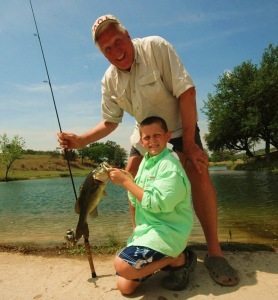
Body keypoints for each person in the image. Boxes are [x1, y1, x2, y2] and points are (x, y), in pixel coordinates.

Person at [58, 14, 239, 286]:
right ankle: (146, 245)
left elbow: (186, 92)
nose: (116, 51)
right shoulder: (109, 80)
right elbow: (110, 121)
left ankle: (214, 253)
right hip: (143, 135)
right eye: (107, 49)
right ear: (102, 53)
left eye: (118, 42)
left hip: (178, 127)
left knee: (198, 172)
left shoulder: (156, 47)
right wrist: (80, 140)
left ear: (128, 35)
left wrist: (189, 144)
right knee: (129, 177)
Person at [108, 116, 195, 294]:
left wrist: (126, 182)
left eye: (157, 135)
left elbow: (156, 203)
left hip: (168, 233)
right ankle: (167, 260)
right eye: (147, 137)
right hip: (148, 231)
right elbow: (137, 199)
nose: (152, 141)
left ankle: (177, 256)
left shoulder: (170, 166)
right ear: (141, 140)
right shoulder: (145, 162)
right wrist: (130, 180)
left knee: (122, 266)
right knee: (125, 287)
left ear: (167, 136)